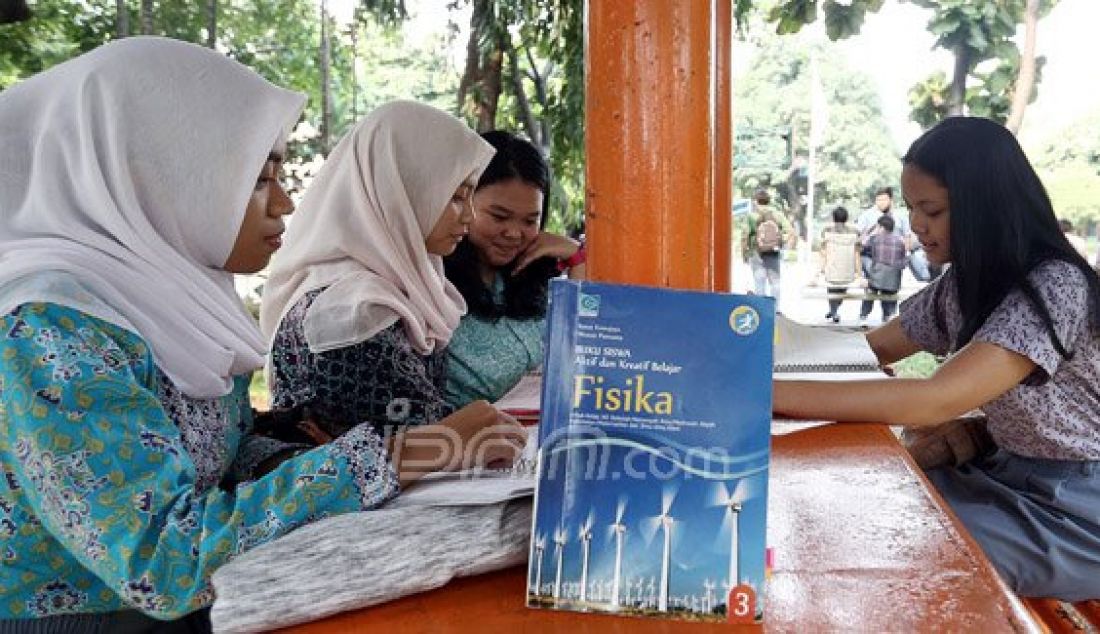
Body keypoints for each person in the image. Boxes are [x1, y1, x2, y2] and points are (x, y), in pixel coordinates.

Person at [0, 39, 523, 632]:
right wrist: (403, 455)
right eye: (257, 177)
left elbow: (224, 458)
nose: (285, 201)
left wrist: (342, 454)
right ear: (157, 175)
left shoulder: (169, 298)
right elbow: (161, 562)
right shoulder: (49, 329)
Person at [774, 116, 1100, 601]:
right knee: (871, 505)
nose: (915, 225)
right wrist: (766, 346)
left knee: (918, 547)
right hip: (1007, 476)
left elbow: (936, 399)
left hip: (1075, 510)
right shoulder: (963, 285)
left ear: (985, 207)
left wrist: (762, 391)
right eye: (910, 207)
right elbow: (869, 347)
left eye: (932, 210)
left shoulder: (1055, 286)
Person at [260, 101, 523, 448]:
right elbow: (436, 439)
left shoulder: (385, 289)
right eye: (457, 197)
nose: (469, 217)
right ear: (400, 192)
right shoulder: (352, 312)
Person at [443, 131, 584, 407]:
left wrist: (577, 257)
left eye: (530, 221)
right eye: (499, 216)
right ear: (461, 202)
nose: (514, 234)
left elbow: (586, 342)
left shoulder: (537, 275)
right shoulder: (433, 286)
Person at [741, 188, 792, 306]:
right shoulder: (777, 214)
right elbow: (790, 232)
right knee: (775, 281)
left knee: (759, 280)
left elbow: (745, 236)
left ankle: (761, 307)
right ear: (768, 201)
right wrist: (779, 243)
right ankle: (776, 308)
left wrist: (744, 253)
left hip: (756, 252)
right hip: (773, 252)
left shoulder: (751, 216)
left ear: (755, 201)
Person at [858, 215, 908, 324]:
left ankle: (863, 316)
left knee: (870, 288)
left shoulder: (875, 239)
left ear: (881, 227)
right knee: (888, 291)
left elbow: (862, 247)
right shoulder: (900, 241)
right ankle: (888, 316)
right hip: (893, 282)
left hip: (876, 280)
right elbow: (904, 261)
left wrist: (870, 232)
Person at [856, 186, 911, 278]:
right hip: (873, 255)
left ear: (891, 200)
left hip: (895, 256)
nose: (881, 203)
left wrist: (905, 252)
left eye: (884, 199)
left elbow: (907, 236)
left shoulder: (900, 216)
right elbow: (858, 235)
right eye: (878, 200)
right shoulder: (867, 216)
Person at [820, 206, 861, 323]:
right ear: (846, 218)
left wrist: (820, 270)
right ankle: (834, 310)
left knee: (832, 290)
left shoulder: (827, 233)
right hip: (848, 272)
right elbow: (857, 255)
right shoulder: (854, 234)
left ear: (833, 218)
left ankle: (833, 311)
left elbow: (824, 253)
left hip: (832, 270)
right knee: (841, 291)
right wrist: (859, 272)